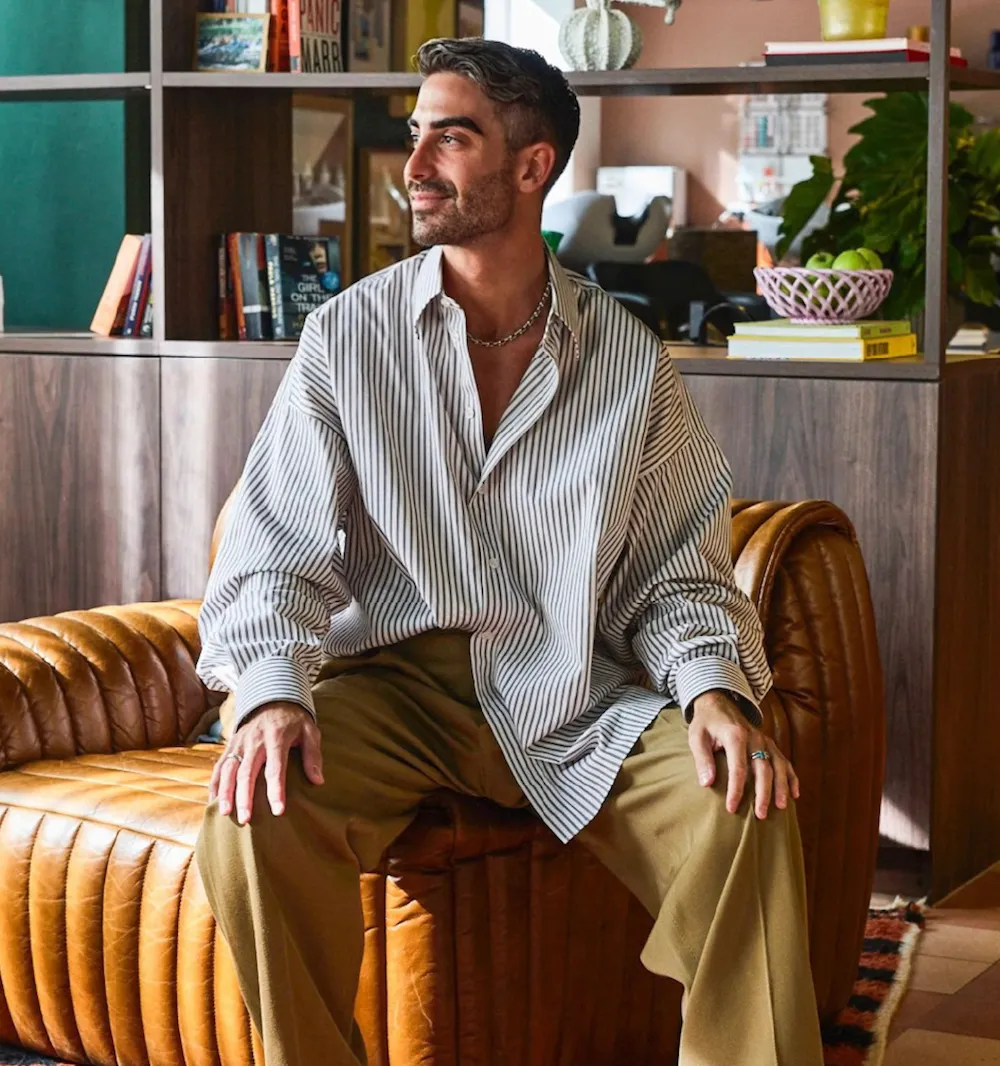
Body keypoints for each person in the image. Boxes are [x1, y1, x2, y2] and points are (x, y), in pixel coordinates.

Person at [194, 37, 825, 1066]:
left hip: (574, 682)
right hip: (387, 688)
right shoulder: (346, 339)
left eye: (452, 136)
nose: (415, 166)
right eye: (415, 136)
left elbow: (678, 573)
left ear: (531, 167)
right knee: (251, 817)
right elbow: (272, 553)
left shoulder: (629, 362)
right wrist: (268, 694)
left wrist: (714, 692)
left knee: (739, 804)